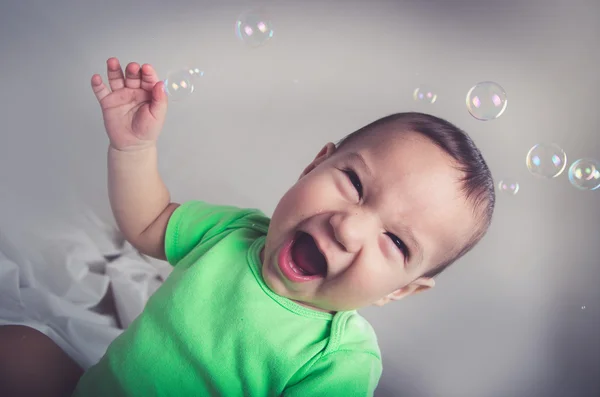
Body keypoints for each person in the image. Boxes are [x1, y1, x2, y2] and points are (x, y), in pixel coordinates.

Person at [1, 57, 495, 397]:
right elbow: (148, 223)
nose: (348, 229)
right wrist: (133, 150)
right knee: (18, 349)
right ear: (314, 166)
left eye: (394, 241)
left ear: (401, 291)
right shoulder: (236, 232)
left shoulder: (338, 357)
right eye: (353, 183)